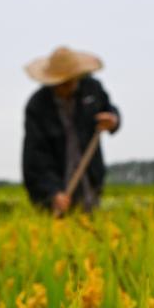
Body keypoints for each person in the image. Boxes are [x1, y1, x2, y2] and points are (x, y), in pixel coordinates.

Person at [21, 46, 120, 215]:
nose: (67, 87)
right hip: (57, 181)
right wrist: (52, 192)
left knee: (89, 220)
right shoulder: (37, 106)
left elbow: (110, 111)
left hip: (88, 177)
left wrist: (112, 121)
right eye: (61, 83)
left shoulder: (92, 89)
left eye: (70, 81)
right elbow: (35, 158)